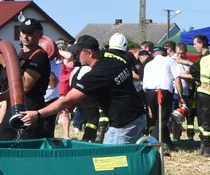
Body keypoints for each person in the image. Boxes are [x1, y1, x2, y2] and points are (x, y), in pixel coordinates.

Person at [18, 35, 146, 144]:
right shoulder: (113, 62)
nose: (76, 55)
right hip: (137, 117)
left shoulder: (97, 74)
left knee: (110, 163)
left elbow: (66, 101)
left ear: (89, 53)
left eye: (79, 52)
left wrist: (38, 114)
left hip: (124, 125)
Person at [0, 17, 51, 140]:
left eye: (30, 33)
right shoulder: (21, 54)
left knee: (24, 147)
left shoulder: (39, 56)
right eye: (23, 32)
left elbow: (24, 86)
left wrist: (1, 96)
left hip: (29, 110)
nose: (25, 36)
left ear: (40, 34)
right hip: (14, 108)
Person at [141, 46, 182, 148]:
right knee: (162, 120)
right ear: (164, 53)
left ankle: (168, 143)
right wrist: (181, 97)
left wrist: (149, 105)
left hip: (149, 93)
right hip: (163, 92)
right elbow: (177, 79)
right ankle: (152, 144)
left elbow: (144, 84)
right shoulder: (169, 61)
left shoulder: (148, 64)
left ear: (153, 54)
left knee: (158, 120)